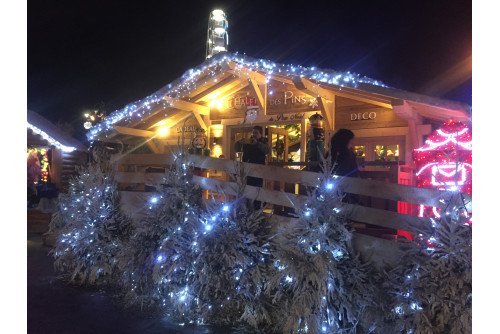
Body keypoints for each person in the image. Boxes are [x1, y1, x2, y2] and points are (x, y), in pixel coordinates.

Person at [234, 125, 271, 209]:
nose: (254, 135)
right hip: (247, 171)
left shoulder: (263, 142)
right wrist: (240, 142)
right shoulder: (248, 142)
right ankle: (246, 208)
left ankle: (257, 209)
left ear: (260, 134)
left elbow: (267, 150)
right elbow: (236, 149)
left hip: (258, 172)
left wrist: (257, 144)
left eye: (256, 133)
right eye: (253, 133)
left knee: (257, 191)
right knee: (246, 190)